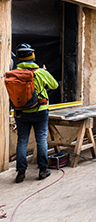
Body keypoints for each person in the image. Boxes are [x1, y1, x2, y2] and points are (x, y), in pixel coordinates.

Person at [12, 44, 58, 183]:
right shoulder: (39, 72)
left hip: (20, 112)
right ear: (33, 56)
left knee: (22, 141)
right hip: (40, 111)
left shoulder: (14, 73)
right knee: (41, 139)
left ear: (19, 58)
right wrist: (45, 72)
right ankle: (43, 170)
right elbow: (55, 85)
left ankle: (20, 173)